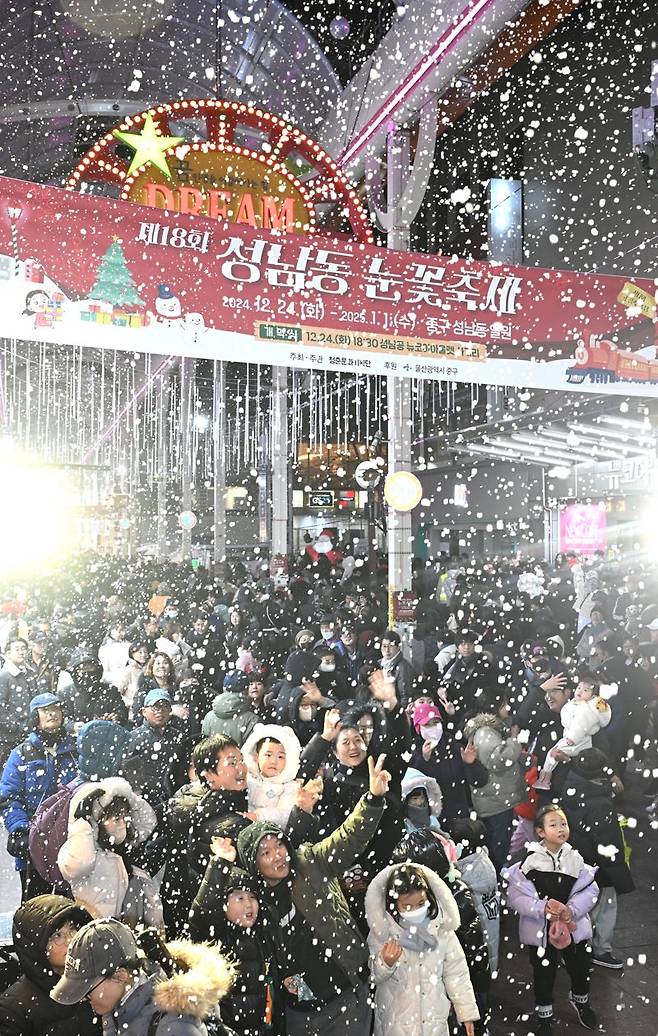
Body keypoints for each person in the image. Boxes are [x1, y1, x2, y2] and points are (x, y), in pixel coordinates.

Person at [236, 755, 390, 1036]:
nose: (277, 856)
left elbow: (348, 837)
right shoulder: (254, 901)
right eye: (265, 853)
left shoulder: (309, 862)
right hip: (300, 1011)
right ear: (253, 864)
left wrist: (373, 799)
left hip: (346, 993)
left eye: (279, 846)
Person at [49, 917, 236, 1035]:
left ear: (121, 976)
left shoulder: (173, 1025)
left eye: (88, 989)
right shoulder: (118, 1009)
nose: (85, 998)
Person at [504, 805, 599, 1034]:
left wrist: (572, 910)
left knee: (580, 966)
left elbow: (590, 890)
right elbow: (516, 897)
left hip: (572, 928)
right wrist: (541, 908)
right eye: (553, 824)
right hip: (540, 930)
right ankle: (544, 1012)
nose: (560, 829)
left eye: (563, 824)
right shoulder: (529, 863)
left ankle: (580, 1000)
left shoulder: (575, 859)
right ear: (540, 832)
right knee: (543, 971)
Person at [365, 862, 479, 1036]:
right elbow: (373, 976)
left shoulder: (441, 930)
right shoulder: (383, 932)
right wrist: (384, 963)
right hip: (395, 1025)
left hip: (433, 1024)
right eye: (407, 906)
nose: (416, 911)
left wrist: (466, 1011)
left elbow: (457, 973)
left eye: (421, 903)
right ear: (393, 904)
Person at [189, 834, 284, 1035]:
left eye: (252, 897)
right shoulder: (213, 938)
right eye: (239, 897)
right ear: (222, 905)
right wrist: (221, 862)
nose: (249, 904)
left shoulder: (263, 934)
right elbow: (203, 911)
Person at [57, 776, 164, 931]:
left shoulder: (123, 847)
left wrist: (125, 794)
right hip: (96, 935)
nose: (122, 823)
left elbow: (148, 821)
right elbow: (79, 865)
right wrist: (81, 822)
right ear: (98, 821)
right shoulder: (80, 848)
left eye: (125, 817)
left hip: (123, 932)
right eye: (115, 818)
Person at [561, 748, 634, 970]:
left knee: (582, 905)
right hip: (602, 865)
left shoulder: (570, 788)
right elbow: (605, 837)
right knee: (605, 906)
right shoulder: (599, 801)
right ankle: (599, 949)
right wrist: (615, 865)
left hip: (582, 861)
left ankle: (577, 948)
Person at [0, 692, 77, 897]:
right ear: (36, 717)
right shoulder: (21, 753)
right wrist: (19, 829)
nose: (52, 714)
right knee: (35, 908)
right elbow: (9, 797)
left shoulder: (75, 749)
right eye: (46, 710)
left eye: (56, 709)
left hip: (71, 841)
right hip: (34, 840)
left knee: (71, 906)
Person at [0, 894, 96, 1036]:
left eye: (72, 928)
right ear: (35, 947)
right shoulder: (14, 1008)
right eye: (57, 935)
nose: (71, 940)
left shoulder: (97, 980)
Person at [462, 695, 524, 871]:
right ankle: (496, 876)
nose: (508, 707)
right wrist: (514, 740)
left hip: (495, 798)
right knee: (498, 846)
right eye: (504, 704)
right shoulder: (485, 732)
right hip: (496, 802)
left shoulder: (487, 730)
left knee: (497, 843)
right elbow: (499, 760)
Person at [533, 673, 611, 791]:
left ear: (567, 692)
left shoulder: (585, 710)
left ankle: (544, 780)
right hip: (555, 790)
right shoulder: (547, 716)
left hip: (571, 787)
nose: (548, 697)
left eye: (554, 692)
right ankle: (544, 780)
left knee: (551, 755)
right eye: (579, 688)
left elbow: (598, 760)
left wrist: (568, 759)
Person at [124, 688, 189, 806]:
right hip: (146, 799)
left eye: (165, 707)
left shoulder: (180, 737)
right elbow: (130, 772)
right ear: (144, 711)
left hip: (176, 796)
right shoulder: (134, 738)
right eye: (155, 707)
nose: (160, 711)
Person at [241, 723, 303, 826]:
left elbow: (286, 815)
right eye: (268, 755)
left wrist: (258, 816)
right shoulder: (248, 779)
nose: (273, 761)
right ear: (256, 756)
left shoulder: (289, 786)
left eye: (280, 757)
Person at [0, 636, 37, 764]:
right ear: (8, 653)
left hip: (28, 732)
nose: (21, 652)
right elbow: (1, 707)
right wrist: (17, 726)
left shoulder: (30, 673)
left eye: (23, 649)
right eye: (17, 649)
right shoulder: (4, 676)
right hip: (9, 736)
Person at [201, 671, 259, 746]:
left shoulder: (208, 717)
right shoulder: (252, 720)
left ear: (224, 688)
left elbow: (204, 749)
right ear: (247, 689)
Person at [380, 630, 416, 707]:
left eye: (391, 646)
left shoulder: (403, 667)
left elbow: (405, 696)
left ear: (398, 647)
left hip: (395, 710)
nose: (387, 650)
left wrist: (401, 714)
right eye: (384, 646)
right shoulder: (379, 664)